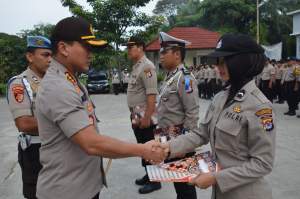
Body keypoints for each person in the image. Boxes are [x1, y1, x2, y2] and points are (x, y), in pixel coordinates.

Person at [35, 17, 165, 199]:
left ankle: (153, 178)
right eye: (86, 48)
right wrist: (143, 150)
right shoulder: (58, 86)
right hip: (68, 190)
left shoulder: (70, 80)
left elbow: (151, 95)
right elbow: (91, 143)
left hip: (79, 185)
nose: (91, 54)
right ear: (63, 48)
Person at [162, 34, 276, 199]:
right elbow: (201, 133)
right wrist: (169, 147)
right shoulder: (220, 97)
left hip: (246, 193)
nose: (217, 67)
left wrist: (216, 178)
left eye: (223, 61)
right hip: (220, 192)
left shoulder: (260, 107)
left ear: (241, 62)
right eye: (217, 62)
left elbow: (263, 164)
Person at [6, 36, 52, 199]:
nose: (50, 59)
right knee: (37, 194)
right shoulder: (19, 84)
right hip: (35, 151)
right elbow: (24, 123)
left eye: (51, 55)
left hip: (57, 147)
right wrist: (64, 123)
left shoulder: (55, 81)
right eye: (45, 55)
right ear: (30, 56)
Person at [157, 32, 198, 199]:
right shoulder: (170, 76)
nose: (160, 56)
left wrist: (186, 143)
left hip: (180, 138)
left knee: (186, 184)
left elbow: (192, 112)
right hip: (168, 136)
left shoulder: (185, 78)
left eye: (164, 52)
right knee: (177, 181)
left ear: (177, 54)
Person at [126, 36, 161, 194]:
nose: (128, 50)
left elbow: (151, 95)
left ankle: (156, 181)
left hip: (145, 115)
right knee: (142, 146)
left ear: (140, 47)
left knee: (150, 147)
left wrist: (147, 117)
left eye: (130, 47)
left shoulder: (147, 67)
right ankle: (149, 175)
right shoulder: (137, 67)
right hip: (137, 115)